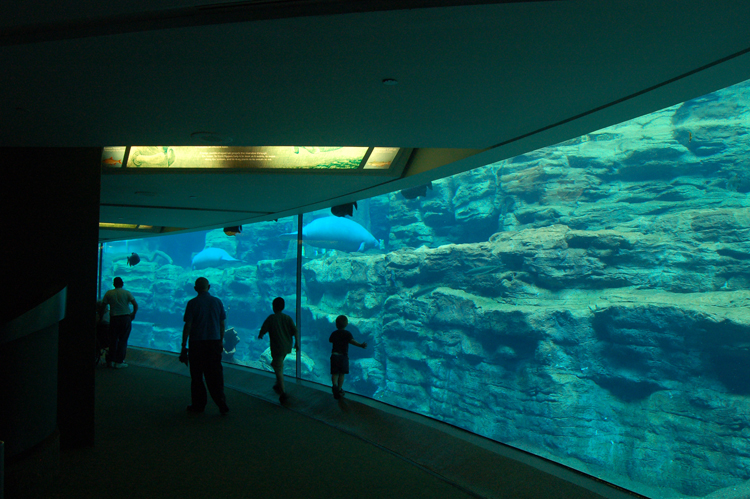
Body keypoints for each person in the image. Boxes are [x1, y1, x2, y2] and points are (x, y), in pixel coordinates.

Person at [182, 277, 230, 415]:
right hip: (214, 343)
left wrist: (183, 345)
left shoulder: (192, 303)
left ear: (195, 288)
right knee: (215, 375)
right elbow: (222, 323)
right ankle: (221, 403)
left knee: (197, 376)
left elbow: (188, 325)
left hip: (197, 343)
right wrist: (221, 340)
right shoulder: (217, 302)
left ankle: (198, 405)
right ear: (209, 286)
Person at [258, 297, 298, 403]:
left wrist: (261, 334)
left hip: (277, 348)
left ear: (273, 307)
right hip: (286, 347)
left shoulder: (271, 318)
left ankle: (283, 392)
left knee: (278, 368)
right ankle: (277, 384)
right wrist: (297, 343)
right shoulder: (287, 318)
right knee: (277, 364)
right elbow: (295, 331)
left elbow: (264, 328)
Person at [101, 277, 138, 368]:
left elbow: (103, 305)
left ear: (114, 284)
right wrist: (133, 314)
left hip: (114, 318)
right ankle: (119, 362)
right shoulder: (127, 293)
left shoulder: (109, 293)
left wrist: (101, 317)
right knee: (123, 340)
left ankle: (111, 360)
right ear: (122, 284)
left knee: (113, 339)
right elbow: (135, 304)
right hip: (125, 318)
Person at [329, 315, 367, 399]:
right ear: (346, 324)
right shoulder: (347, 333)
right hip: (343, 356)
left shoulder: (334, 333)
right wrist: (360, 345)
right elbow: (352, 341)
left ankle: (334, 385)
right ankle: (339, 389)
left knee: (335, 373)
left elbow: (330, 340)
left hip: (334, 355)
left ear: (336, 324)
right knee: (342, 373)